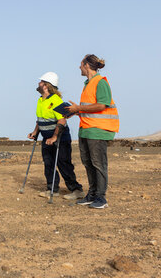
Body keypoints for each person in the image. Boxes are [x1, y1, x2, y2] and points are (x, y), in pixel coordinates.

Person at [65, 54, 119, 209]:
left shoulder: (100, 83)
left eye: (80, 64)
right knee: (88, 163)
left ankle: (101, 198)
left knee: (98, 164)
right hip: (86, 130)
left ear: (86, 65)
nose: (79, 67)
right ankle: (93, 194)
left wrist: (79, 108)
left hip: (98, 131)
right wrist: (75, 111)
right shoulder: (88, 84)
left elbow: (102, 105)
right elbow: (90, 108)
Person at [27, 72, 85, 200]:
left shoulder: (56, 100)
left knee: (63, 163)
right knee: (48, 163)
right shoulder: (40, 100)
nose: (38, 83)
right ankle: (52, 189)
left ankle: (76, 190)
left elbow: (62, 120)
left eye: (41, 82)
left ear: (46, 85)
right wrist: (35, 132)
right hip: (46, 139)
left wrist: (54, 137)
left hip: (60, 138)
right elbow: (40, 119)